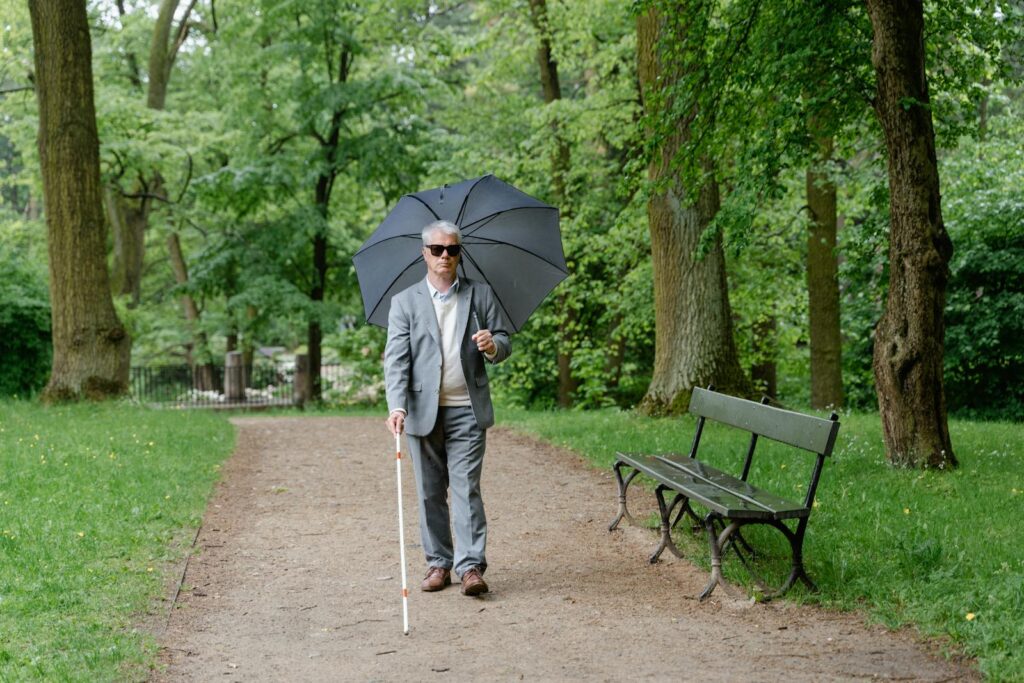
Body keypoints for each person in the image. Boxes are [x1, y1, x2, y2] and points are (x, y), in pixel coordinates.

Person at [384, 219, 512, 596]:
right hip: (422, 412)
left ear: (459, 253)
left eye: (452, 249)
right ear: (424, 253)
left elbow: (504, 342)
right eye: (437, 249)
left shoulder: (481, 296)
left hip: (467, 409)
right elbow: (396, 360)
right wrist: (397, 406)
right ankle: (438, 563)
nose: (445, 256)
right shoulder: (405, 302)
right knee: (428, 492)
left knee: (465, 488)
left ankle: (471, 566)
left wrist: (492, 346)